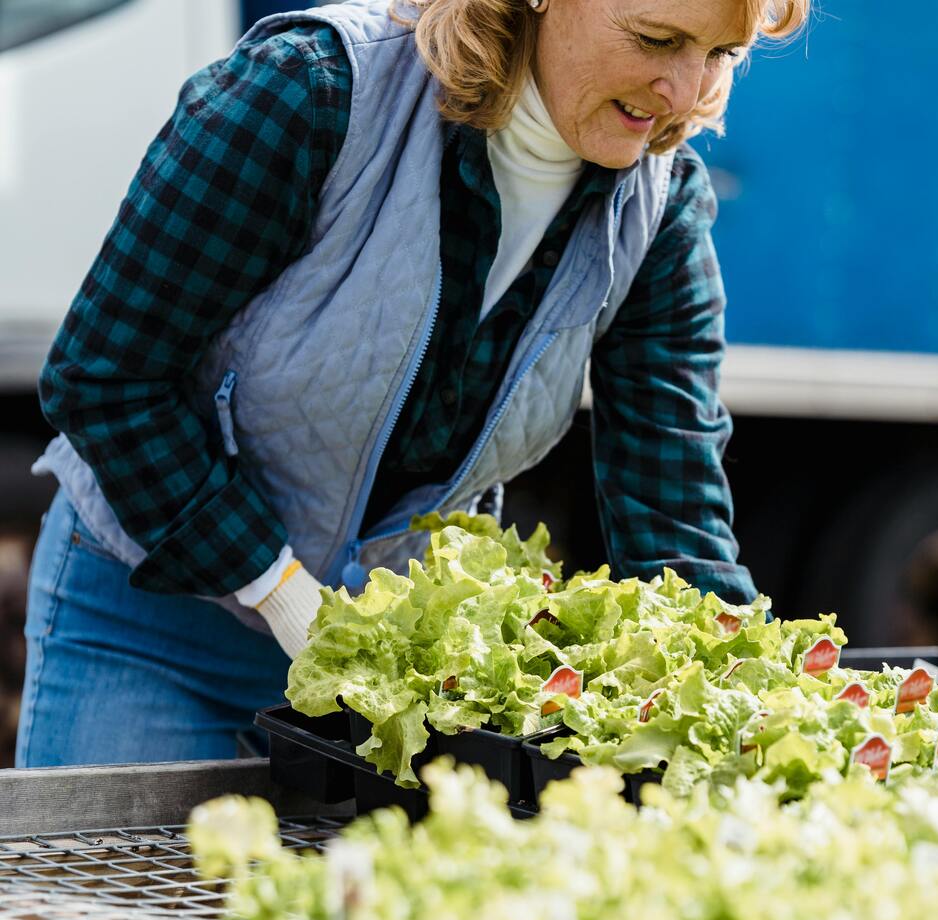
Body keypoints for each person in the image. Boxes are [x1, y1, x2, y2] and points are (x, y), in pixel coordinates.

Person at [16, 0, 808, 767]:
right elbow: (105, 380)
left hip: (387, 680)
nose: (685, 95)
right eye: (656, 38)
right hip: (153, 626)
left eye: (722, 55)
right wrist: (280, 591)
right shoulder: (310, 92)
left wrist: (754, 698)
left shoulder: (663, 206)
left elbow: (671, 503)